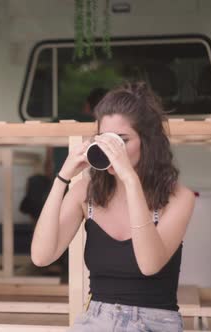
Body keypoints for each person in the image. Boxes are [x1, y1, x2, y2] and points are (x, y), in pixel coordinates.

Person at [30, 81, 195, 331]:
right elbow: (41, 256)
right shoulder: (86, 192)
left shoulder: (179, 198)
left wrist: (129, 179)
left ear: (147, 142)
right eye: (106, 140)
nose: (112, 150)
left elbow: (149, 264)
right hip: (96, 320)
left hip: (154, 323)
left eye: (123, 140)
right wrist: (62, 178)